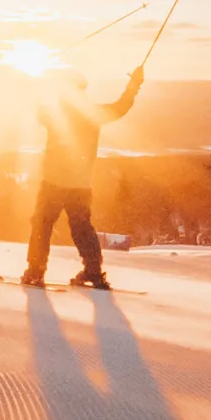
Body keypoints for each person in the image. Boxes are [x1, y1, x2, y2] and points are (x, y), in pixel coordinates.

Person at [21, 66, 144, 289]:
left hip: (54, 182)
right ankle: (93, 272)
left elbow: (38, 107)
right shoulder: (92, 113)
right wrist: (134, 85)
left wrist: (40, 82)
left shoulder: (55, 113)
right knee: (82, 227)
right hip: (81, 184)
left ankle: (35, 271)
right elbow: (121, 107)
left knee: (42, 224)